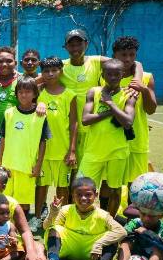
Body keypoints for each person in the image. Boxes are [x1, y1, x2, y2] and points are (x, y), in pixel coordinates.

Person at [60, 29, 143, 159]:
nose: (75, 48)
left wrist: (137, 79)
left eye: (79, 44)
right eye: (71, 45)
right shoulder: (61, 66)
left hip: (92, 123)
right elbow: (40, 79)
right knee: (70, 165)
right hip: (68, 125)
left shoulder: (95, 61)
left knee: (90, 166)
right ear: (65, 47)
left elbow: (132, 63)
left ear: (86, 44)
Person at [43, 177, 127, 260]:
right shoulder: (65, 209)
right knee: (54, 229)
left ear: (95, 195)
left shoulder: (103, 214)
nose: (83, 198)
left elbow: (122, 231)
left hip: (92, 253)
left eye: (88, 195)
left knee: (112, 239)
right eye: (78, 194)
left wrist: (100, 244)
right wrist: (53, 213)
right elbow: (46, 227)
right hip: (68, 247)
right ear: (72, 195)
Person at [79, 59, 137, 215]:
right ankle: (86, 220)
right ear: (103, 74)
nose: (112, 77)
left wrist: (111, 103)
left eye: (116, 74)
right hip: (93, 150)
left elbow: (128, 122)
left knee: (115, 190)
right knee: (83, 188)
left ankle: (109, 222)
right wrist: (110, 112)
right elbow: (85, 120)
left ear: (122, 74)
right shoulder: (94, 92)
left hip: (117, 151)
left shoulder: (129, 95)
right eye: (109, 74)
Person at [0, 77, 49, 219]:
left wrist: (38, 165)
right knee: (5, 199)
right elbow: (3, 138)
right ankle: (7, 228)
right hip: (8, 165)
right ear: (16, 93)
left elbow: (42, 142)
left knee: (24, 202)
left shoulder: (41, 116)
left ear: (34, 94)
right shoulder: (9, 113)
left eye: (27, 92)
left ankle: (21, 229)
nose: (23, 95)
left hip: (27, 167)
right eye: (20, 92)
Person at [35, 56, 78, 222]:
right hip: (42, 150)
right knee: (41, 185)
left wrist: (72, 150)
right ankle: (37, 217)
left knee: (63, 187)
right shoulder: (37, 92)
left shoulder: (69, 95)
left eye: (54, 70)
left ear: (61, 71)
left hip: (63, 150)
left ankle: (62, 218)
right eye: (46, 71)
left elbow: (74, 123)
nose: (50, 74)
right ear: (42, 73)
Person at [112, 36, 157, 185]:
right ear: (114, 55)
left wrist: (144, 90)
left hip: (137, 139)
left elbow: (150, 110)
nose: (127, 59)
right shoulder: (106, 76)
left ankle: (133, 209)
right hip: (112, 139)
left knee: (136, 184)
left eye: (132, 55)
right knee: (113, 183)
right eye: (123, 55)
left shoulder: (146, 77)